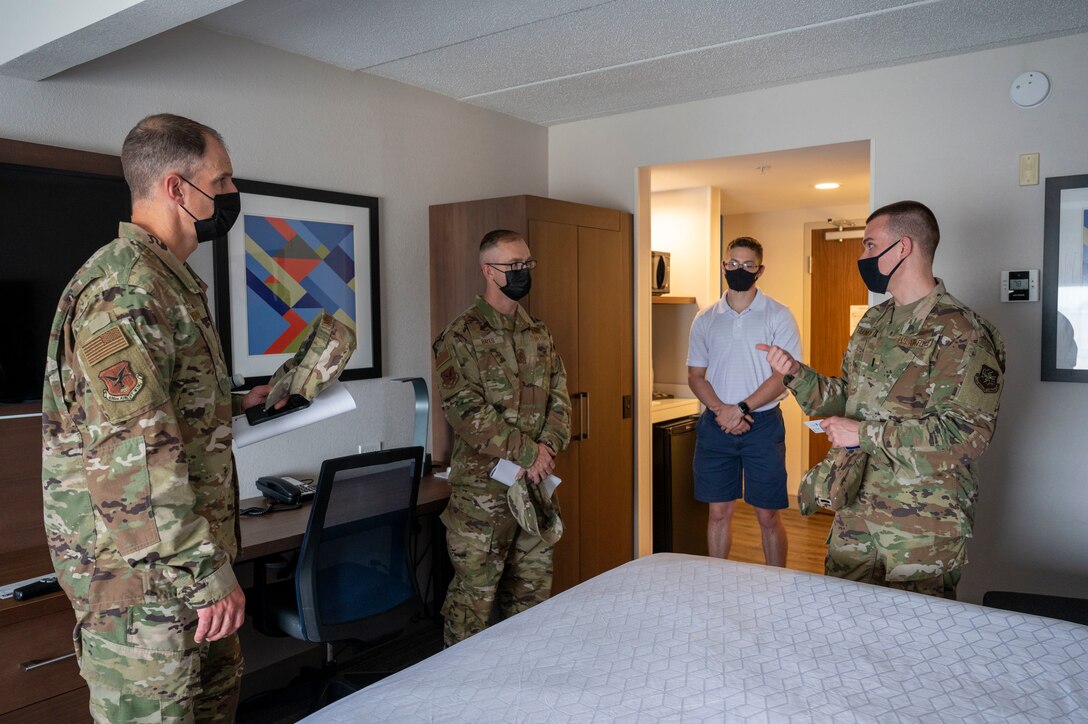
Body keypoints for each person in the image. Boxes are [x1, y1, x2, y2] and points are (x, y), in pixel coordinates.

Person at [42, 113, 277, 722]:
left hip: (184, 575)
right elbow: (134, 462)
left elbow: (159, 414)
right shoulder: (125, 291)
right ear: (178, 188)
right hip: (144, 595)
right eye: (221, 181)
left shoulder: (170, 283)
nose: (231, 194)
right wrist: (206, 575)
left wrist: (235, 404)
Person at [759, 200, 1005, 599]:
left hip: (920, 527)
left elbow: (966, 436)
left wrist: (864, 435)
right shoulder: (874, 322)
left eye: (870, 245)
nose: (863, 257)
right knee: (843, 627)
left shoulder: (962, 331)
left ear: (903, 248)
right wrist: (794, 374)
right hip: (855, 510)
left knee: (915, 644)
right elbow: (848, 399)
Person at [433, 229, 572, 647]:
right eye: (513, 266)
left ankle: (521, 687)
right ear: (488, 271)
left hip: (534, 490)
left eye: (526, 264)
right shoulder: (461, 336)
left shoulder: (539, 333)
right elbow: (465, 412)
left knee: (531, 599)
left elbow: (561, 397)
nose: (522, 272)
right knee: (473, 604)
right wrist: (530, 452)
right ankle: (459, 693)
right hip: (483, 497)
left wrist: (546, 450)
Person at [687, 237, 800, 566]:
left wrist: (742, 409)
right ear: (724, 266)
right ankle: (718, 582)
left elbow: (784, 376)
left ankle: (776, 582)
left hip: (762, 426)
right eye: (733, 263)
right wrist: (723, 411)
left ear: (760, 270)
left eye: (748, 265)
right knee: (718, 514)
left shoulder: (779, 315)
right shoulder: (706, 318)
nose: (739, 269)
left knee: (768, 517)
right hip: (716, 426)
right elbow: (696, 375)